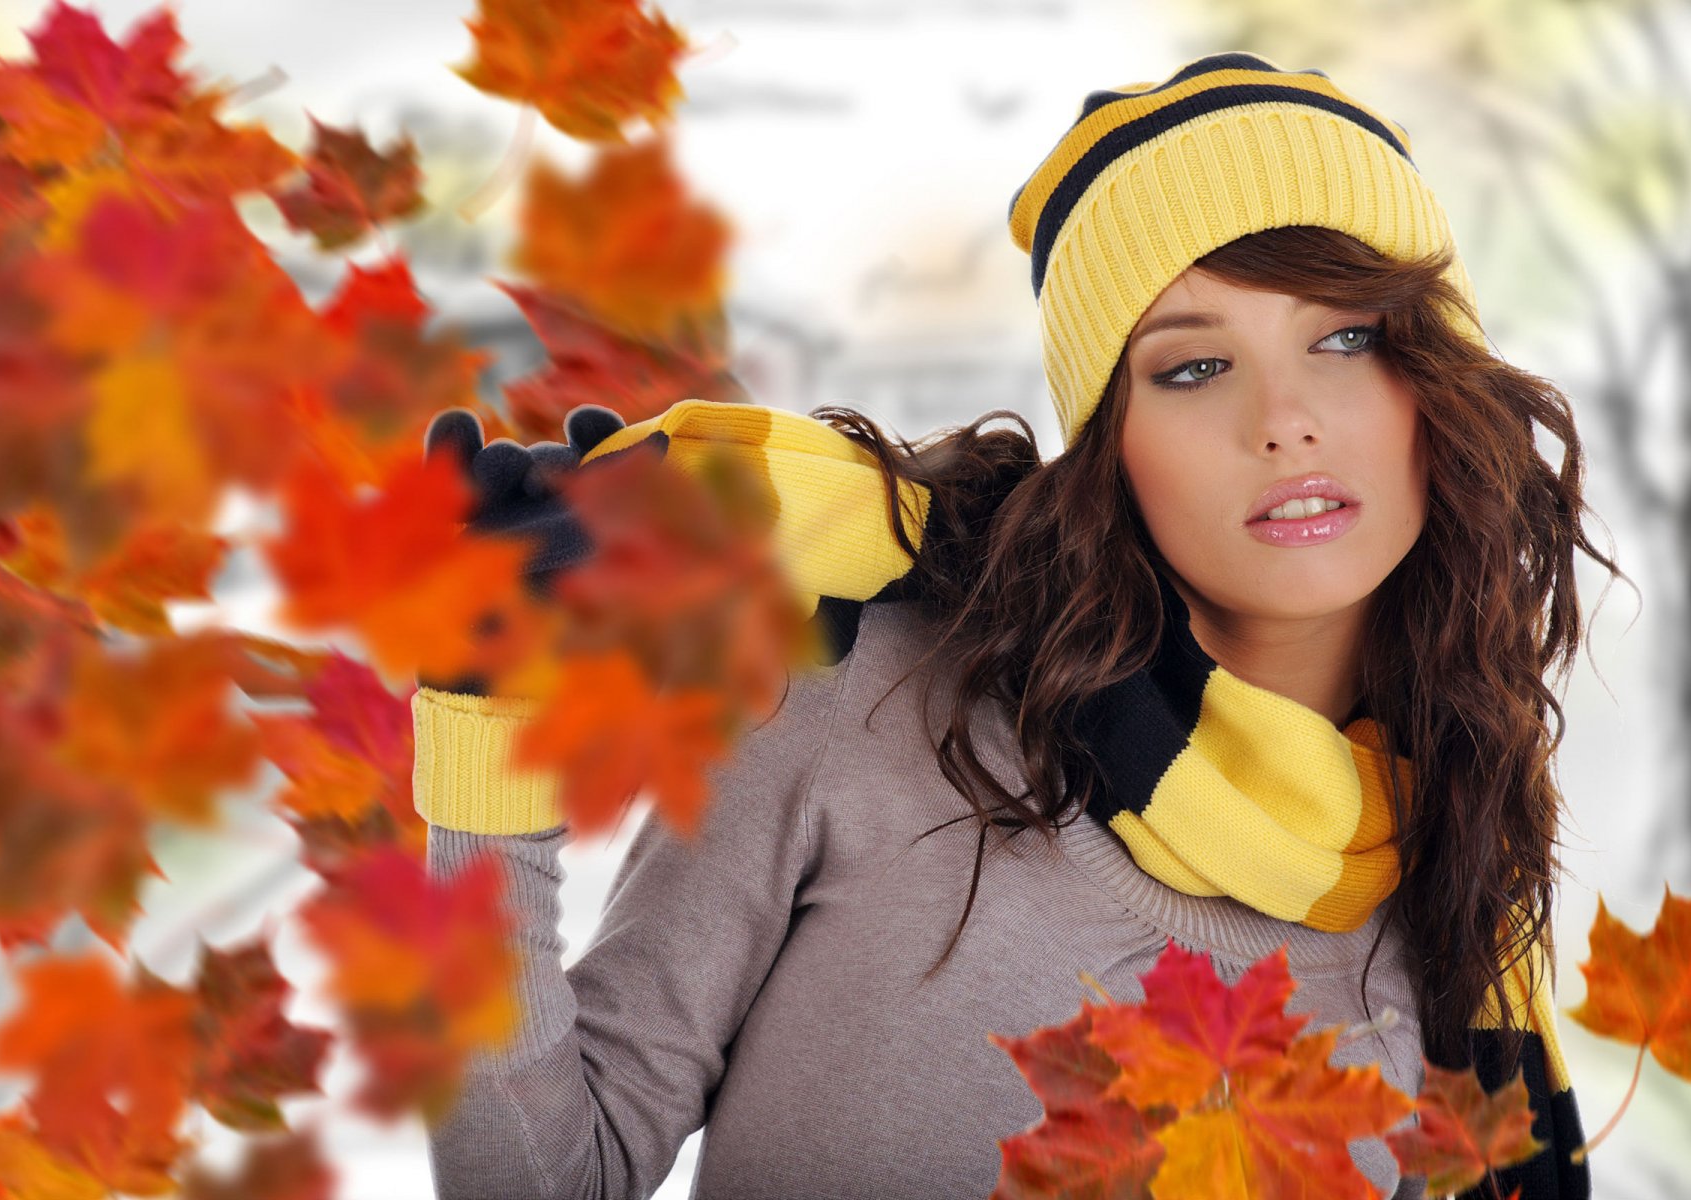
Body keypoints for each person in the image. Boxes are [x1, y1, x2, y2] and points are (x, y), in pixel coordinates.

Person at [413, 50, 1620, 1199]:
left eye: (1346, 337)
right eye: (1192, 367)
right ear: (1111, 447)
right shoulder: (863, 702)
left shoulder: (1454, 883)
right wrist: (488, 749)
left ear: (1438, 386)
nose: (1287, 419)